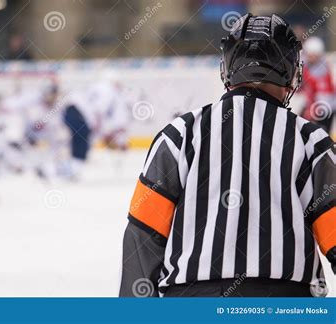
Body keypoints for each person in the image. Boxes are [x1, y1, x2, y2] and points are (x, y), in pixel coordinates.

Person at [120, 14, 335, 297]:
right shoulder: (311, 141)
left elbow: (143, 236)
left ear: (227, 70)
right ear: (292, 72)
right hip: (286, 301)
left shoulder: (179, 135)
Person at [300, 36, 335, 133]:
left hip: (323, 109)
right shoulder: (308, 67)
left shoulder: (322, 71)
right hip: (316, 106)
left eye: (311, 55)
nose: (308, 57)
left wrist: (311, 111)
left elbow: (324, 97)